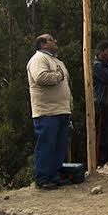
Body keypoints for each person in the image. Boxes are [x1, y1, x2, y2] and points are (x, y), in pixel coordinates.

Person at [27, 33, 70, 189]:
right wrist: (58, 75)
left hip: (61, 110)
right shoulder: (38, 59)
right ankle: (43, 178)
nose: (56, 41)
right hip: (47, 111)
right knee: (46, 145)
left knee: (58, 145)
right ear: (43, 44)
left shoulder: (56, 60)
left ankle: (54, 175)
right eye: (52, 39)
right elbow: (41, 77)